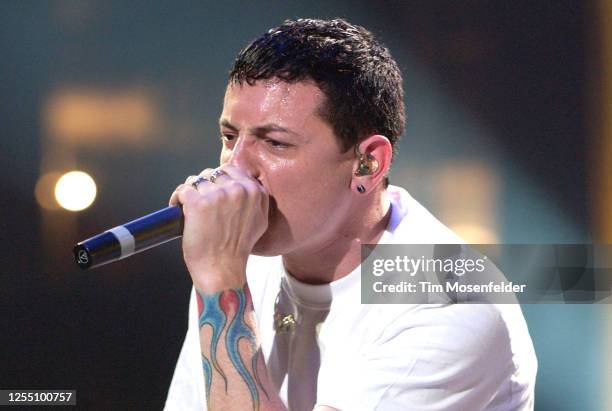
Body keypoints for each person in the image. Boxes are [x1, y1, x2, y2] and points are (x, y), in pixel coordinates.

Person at [164, 18, 537, 411]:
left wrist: (221, 279)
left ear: (367, 164)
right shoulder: (243, 265)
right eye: (229, 137)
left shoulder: (453, 304)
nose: (234, 169)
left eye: (274, 143)